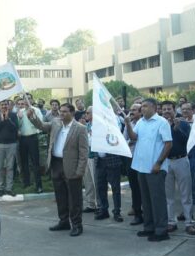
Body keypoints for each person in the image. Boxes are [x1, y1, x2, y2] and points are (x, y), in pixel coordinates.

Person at [29, 103, 89, 237]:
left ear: (72, 113)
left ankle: (77, 224)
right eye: (61, 111)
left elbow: (84, 152)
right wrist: (32, 117)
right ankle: (64, 221)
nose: (61, 114)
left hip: (72, 167)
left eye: (65, 112)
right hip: (56, 164)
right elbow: (41, 126)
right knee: (60, 196)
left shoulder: (80, 129)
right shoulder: (55, 123)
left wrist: (80, 171)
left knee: (74, 198)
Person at [124, 98, 172, 241]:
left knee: (157, 200)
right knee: (146, 200)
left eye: (145, 106)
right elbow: (133, 137)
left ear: (154, 107)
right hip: (141, 167)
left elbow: (168, 144)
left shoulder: (162, 122)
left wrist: (159, 163)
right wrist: (127, 124)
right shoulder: (140, 122)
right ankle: (149, 227)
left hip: (155, 168)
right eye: (142, 106)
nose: (142, 109)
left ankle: (161, 231)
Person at [160, 101, 195, 235]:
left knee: (186, 194)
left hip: (181, 160)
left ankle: (189, 223)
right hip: (166, 161)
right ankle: (171, 222)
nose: (166, 111)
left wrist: (177, 129)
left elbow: (188, 141)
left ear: (174, 110)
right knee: (168, 194)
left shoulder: (183, 123)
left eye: (169, 109)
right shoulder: (160, 124)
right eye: (164, 109)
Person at [92, 106, 125, 222]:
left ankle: (117, 212)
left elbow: (117, 137)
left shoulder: (114, 124)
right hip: (99, 161)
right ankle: (104, 210)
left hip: (112, 161)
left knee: (115, 188)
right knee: (101, 187)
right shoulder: (95, 126)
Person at [0, 100, 18, 197]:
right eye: (2, 105)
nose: (4, 106)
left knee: (10, 167)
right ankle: (0, 188)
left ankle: (9, 188)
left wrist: (8, 119)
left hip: (11, 144)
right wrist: (2, 121)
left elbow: (15, 128)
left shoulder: (13, 115)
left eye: (6, 104)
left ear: (8, 105)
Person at [17, 98, 43, 193]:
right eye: (23, 101)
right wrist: (19, 118)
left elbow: (40, 124)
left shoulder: (36, 110)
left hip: (33, 138)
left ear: (31, 101)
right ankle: (27, 182)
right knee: (24, 162)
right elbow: (18, 126)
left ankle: (39, 185)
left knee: (35, 162)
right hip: (23, 139)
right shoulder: (20, 112)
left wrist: (32, 116)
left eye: (27, 100)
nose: (25, 102)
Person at [125, 103, 144, 225]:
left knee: (144, 186)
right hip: (131, 158)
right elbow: (125, 139)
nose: (131, 112)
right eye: (131, 110)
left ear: (141, 112)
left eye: (135, 110)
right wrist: (130, 142)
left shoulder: (144, 123)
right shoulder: (129, 124)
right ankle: (137, 213)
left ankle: (147, 211)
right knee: (134, 186)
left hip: (143, 159)